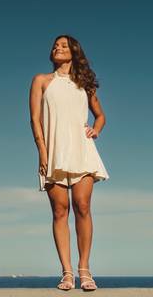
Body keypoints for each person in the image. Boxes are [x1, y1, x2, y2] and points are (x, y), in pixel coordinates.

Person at [28, 35, 109, 291]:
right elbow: (35, 119)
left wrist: (95, 130)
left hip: (82, 150)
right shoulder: (41, 80)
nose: (57, 48)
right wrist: (42, 151)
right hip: (53, 151)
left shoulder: (85, 85)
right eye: (55, 45)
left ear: (74, 52)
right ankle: (67, 273)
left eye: (63, 46)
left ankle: (85, 269)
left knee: (82, 206)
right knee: (60, 211)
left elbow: (101, 116)